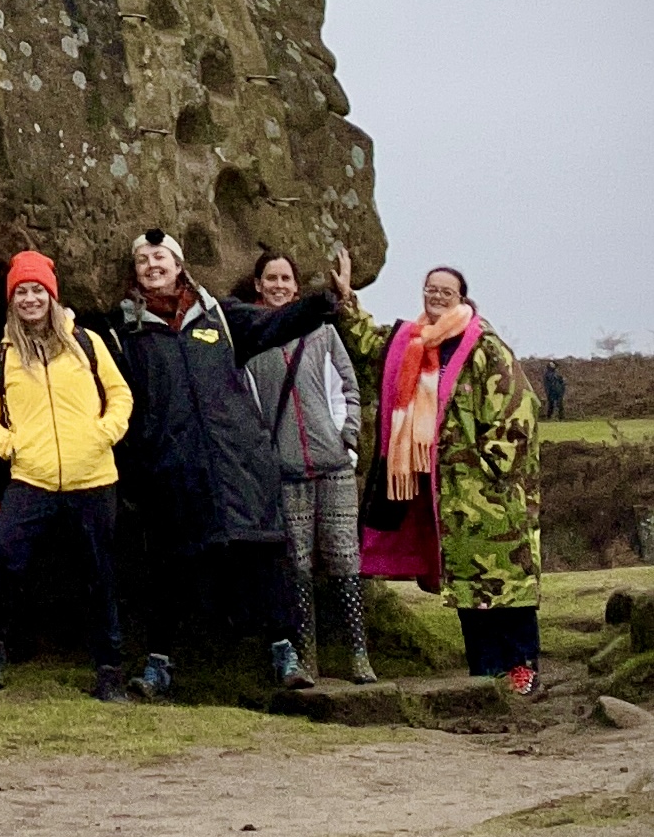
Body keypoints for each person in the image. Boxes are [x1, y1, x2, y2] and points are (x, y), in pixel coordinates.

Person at [105, 228, 353, 689]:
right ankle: (158, 665)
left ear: (179, 266)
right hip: (174, 467)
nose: (152, 266)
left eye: (161, 257)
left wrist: (324, 301)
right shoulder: (125, 332)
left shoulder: (218, 315)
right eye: (143, 261)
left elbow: (273, 324)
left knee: (260, 557)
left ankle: (285, 655)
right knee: (170, 566)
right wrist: (142, 464)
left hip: (237, 460)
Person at [345, 265, 542, 693]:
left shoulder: (484, 346)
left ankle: (522, 666)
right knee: (467, 588)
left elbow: (518, 408)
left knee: (507, 583)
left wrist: (491, 467)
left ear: (462, 297)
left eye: (446, 291)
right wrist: (345, 301)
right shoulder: (409, 342)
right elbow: (367, 344)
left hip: (489, 494)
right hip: (443, 493)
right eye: (430, 289)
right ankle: (485, 672)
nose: (436, 297)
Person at [0, 251, 134, 698]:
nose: (29, 299)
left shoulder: (87, 343)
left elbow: (120, 395)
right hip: (32, 478)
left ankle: (109, 668)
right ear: (12, 300)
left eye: (36, 290)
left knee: (100, 573)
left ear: (52, 295)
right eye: (21, 292)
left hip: (94, 476)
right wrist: (11, 446)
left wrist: (104, 433)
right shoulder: (1, 356)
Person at [244, 251, 376, 684]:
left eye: (286, 278)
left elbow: (348, 388)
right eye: (271, 278)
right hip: (283, 471)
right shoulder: (250, 338)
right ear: (258, 285)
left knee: (344, 559)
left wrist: (348, 443)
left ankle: (359, 655)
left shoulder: (321, 331)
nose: (279, 285)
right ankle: (307, 657)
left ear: (296, 286)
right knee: (295, 566)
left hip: (334, 465)